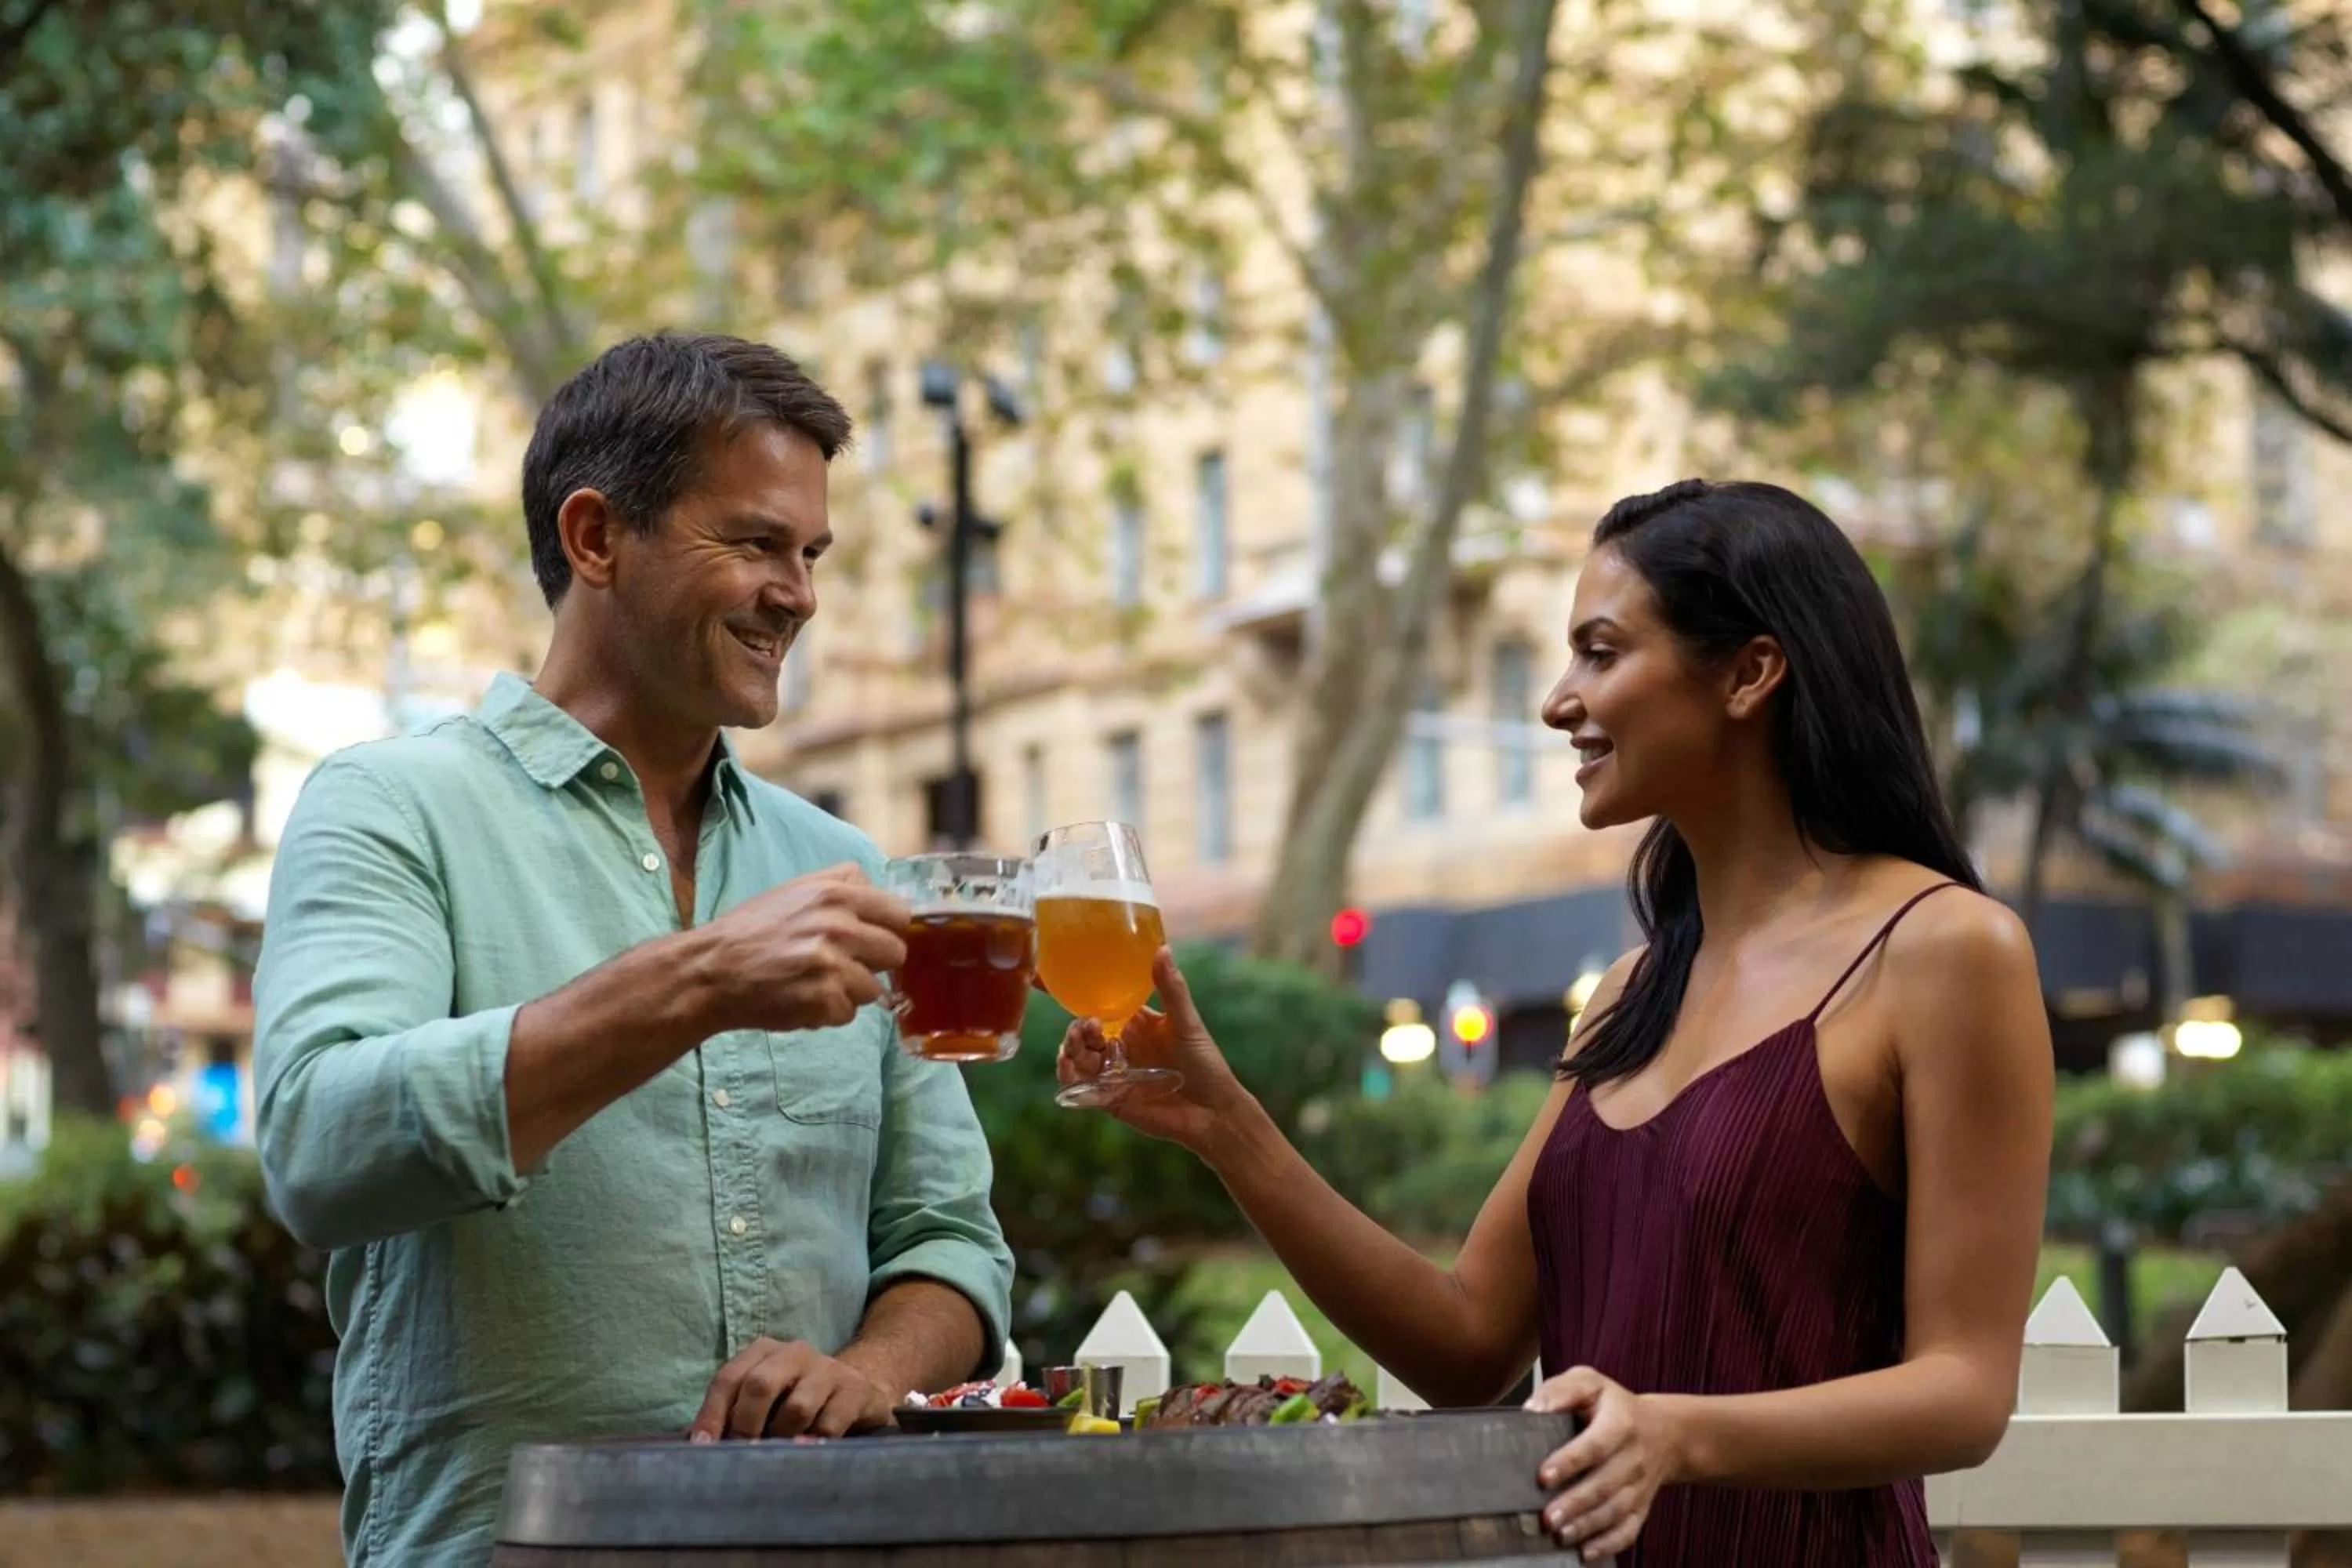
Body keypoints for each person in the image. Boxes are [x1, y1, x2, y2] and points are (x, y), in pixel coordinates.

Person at [1058, 479, 2054, 1564]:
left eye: (1601, 651)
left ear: (1752, 673)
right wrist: (1229, 1130)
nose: (1557, 701)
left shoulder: (1947, 951)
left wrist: (1681, 1436)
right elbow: (1468, 1345)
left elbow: (1964, 1393)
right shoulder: (1632, 993)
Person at [253, 333, 1014, 1566]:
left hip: (825, 1547)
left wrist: (870, 1371)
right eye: (757, 543)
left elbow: (949, 1239)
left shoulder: (845, 869)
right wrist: (699, 981)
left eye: (811, 554)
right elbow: (317, 1146)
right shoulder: (388, 807)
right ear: (597, 537)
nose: (801, 594)